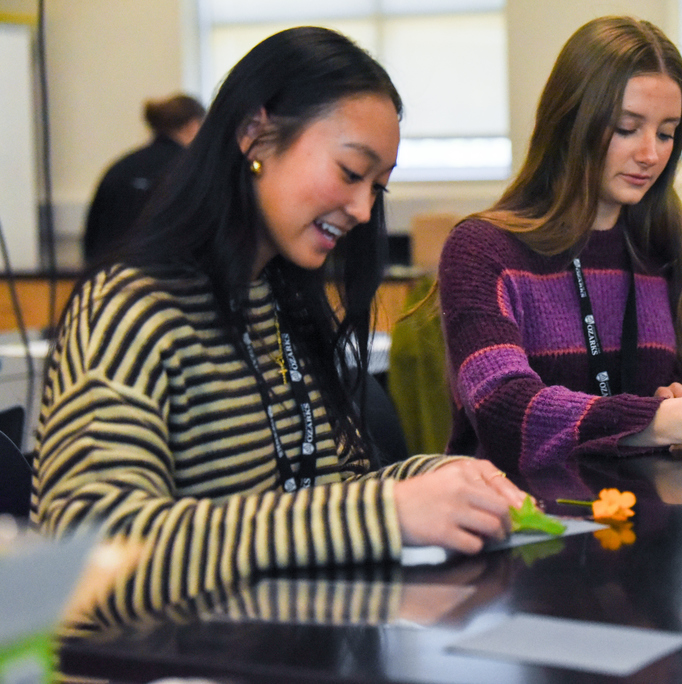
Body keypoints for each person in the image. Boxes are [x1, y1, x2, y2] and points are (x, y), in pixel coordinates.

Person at [32, 27, 527, 624]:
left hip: (290, 645)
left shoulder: (281, 301)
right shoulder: (129, 310)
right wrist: (388, 512)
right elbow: (91, 559)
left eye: (378, 187)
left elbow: (324, 501)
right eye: (350, 172)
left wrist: (441, 479)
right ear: (254, 134)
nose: (365, 210)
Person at [437, 17, 682, 473]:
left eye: (666, 133)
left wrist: (679, 404)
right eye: (626, 128)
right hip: (524, 519)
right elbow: (502, 410)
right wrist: (665, 420)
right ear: (570, 121)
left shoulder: (657, 242)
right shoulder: (483, 249)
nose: (650, 154)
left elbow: (662, 404)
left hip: (641, 514)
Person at [83, 94, 206, 266]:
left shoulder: (120, 168)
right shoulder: (192, 169)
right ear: (193, 126)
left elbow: (92, 236)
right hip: (166, 279)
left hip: (109, 276)